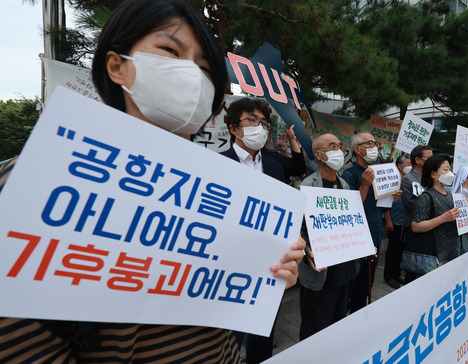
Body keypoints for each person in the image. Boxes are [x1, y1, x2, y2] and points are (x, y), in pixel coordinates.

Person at [0, 1, 304, 362]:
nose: (193, 75)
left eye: (206, 69)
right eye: (170, 51)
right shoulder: (30, 180)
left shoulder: (221, 193)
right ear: (117, 67)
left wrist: (271, 274)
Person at [221, 97, 304, 363]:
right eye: (252, 121)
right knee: (229, 329)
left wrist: (293, 142)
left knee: (264, 326)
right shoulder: (218, 164)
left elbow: (299, 168)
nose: (260, 127)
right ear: (234, 128)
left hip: (269, 257)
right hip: (231, 257)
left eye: (264, 123)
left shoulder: (274, 162)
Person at [298, 133, 359, 341]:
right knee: (315, 327)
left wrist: (362, 243)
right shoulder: (306, 186)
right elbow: (297, 228)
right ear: (319, 154)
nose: (339, 151)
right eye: (333, 147)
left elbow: (351, 222)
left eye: (340, 146)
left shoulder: (344, 185)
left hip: (344, 269)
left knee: (337, 322)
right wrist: (306, 250)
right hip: (320, 272)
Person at [341, 132, 399, 310]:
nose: (375, 147)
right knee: (350, 289)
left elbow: (379, 208)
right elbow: (349, 210)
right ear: (358, 149)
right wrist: (365, 185)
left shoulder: (377, 173)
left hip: (374, 237)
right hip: (356, 240)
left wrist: (391, 198)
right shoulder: (350, 175)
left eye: (375, 143)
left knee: (365, 288)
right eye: (370, 143)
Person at [411, 156, 468, 265]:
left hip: (453, 253)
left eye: (450, 169)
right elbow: (415, 226)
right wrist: (443, 218)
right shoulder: (426, 197)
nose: (450, 173)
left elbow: (457, 222)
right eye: (445, 170)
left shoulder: (451, 196)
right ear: (433, 174)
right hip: (435, 256)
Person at [401, 145, 433, 283]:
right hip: (414, 228)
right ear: (418, 160)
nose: (432, 161)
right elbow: (413, 205)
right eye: (429, 158)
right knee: (413, 267)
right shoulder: (408, 180)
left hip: (430, 227)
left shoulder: (431, 179)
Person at [383, 154, 410, 288]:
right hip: (394, 221)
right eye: (408, 163)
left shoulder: (408, 180)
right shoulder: (392, 180)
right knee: (393, 249)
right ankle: (389, 276)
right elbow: (385, 204)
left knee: (400, 249)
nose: (410, 166)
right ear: (400, 166)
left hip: (405, 222)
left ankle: (397, 273)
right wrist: (388, 221)